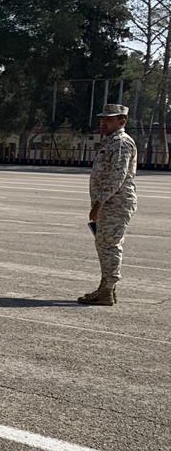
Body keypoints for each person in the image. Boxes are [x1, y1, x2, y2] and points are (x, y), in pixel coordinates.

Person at [80, 104, 138, 305]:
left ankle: (107, 289)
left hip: (115, 203)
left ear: (122, 121)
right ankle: (107, 288)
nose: (103, 123)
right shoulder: (111, 142)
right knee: (104, 244)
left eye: (109, 119)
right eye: (102, 119)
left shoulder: (121, 143)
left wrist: (99, 203)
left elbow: (118, 176)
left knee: (110, 245)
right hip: (109, 203)